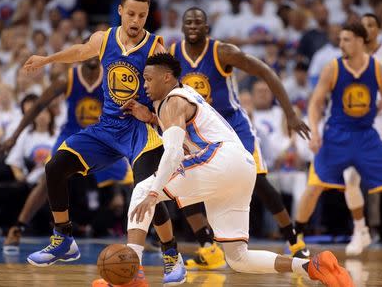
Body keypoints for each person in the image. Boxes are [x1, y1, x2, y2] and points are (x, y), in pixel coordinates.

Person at [127, 52, 354, 287]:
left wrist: (154, 192)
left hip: (220, 159)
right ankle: (311, 266)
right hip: (242, 167)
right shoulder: (186, 95)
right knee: (238, 258)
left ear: (166, 78)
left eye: (148, 79)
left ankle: (131, 275)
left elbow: (173, 153)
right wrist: (153, 119)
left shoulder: (172, 102)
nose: (144, 85)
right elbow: (185, 133)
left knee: (143, 190)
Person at [21, 0, 185, 285]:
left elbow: (174, 93)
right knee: (54, 167)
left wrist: (152, 117)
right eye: (131, 14)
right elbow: (80, 52)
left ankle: (171, 253)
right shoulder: (103, 38)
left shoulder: (156, 49)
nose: (136, 21)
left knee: (146, 190)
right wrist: (47, 59)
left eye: (143, 16)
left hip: (140, 130)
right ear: (120, 11)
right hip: (108, 127)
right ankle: (63, 239)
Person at [170, 7, 310, 269]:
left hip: (234, 127)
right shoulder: (173, 54)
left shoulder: (221, 51)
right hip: (199, 130)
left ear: (207, 27)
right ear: (182, 26)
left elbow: (266, 72)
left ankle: (295, 241)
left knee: (258, 181)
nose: (193, 26)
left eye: (198, 22)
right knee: (185, 183)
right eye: (188, 21)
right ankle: (208, 248)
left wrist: (290, 114)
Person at [0, 57, 132, 255]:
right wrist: (15, 135)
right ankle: (18, 227)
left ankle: (145, 234)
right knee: (48, 178)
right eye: (89, 51)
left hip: (102, 136)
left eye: (97, 52)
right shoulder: (67, 78)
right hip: (72, 136)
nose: (93, 56)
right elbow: (38, 106)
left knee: (137, 179)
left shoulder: (112, 79)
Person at [294, 22, 382, 254]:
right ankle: (296, 238)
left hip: (366, 135)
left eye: (346, 39)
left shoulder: (378, 68)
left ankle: (364, 230)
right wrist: (314, 130)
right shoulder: (332, 68)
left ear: (360, 41)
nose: (341, 43)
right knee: (314, 186)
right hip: (336, 135)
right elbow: (316, 103)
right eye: (340, 39)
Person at [341, 13, 382, 256]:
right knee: (350, 179)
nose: (366, 29)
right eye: (363, 26)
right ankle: (360, 230)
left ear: (378, 29)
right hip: (362, 127)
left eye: (371, 24)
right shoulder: (350, 60)